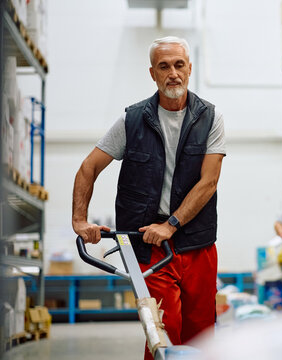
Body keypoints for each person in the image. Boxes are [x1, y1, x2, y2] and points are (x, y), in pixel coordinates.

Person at [71, 36, 226, 358]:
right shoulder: (132, 120)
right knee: (163, 327)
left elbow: (208, 182)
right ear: (152, 73)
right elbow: (89, 168)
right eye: (164, 66)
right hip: (148, 241)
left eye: (179, 65)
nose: (173, 73)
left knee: (202, 330)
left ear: (190, 69)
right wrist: (79, 219)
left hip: (196, 240)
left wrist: (172, 224)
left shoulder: (210, 118)